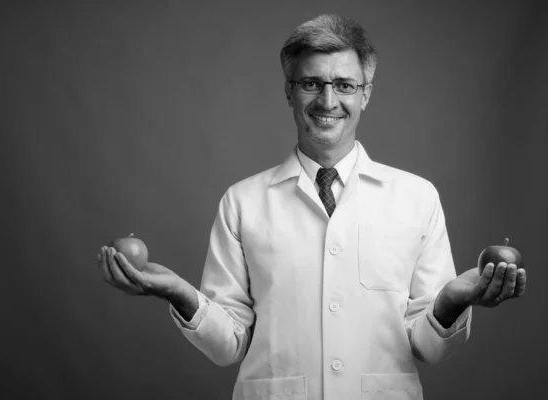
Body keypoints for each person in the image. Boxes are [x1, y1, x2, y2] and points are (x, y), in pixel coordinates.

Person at [98, 13, 527, 400]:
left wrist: (451, 301)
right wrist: (178, 291)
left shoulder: (417, 197)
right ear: (289, 92)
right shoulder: (243, 202)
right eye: (311, 83)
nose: (327, 101)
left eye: (344, 84)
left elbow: (429, 347)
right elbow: (227, 344)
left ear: (366, 94)